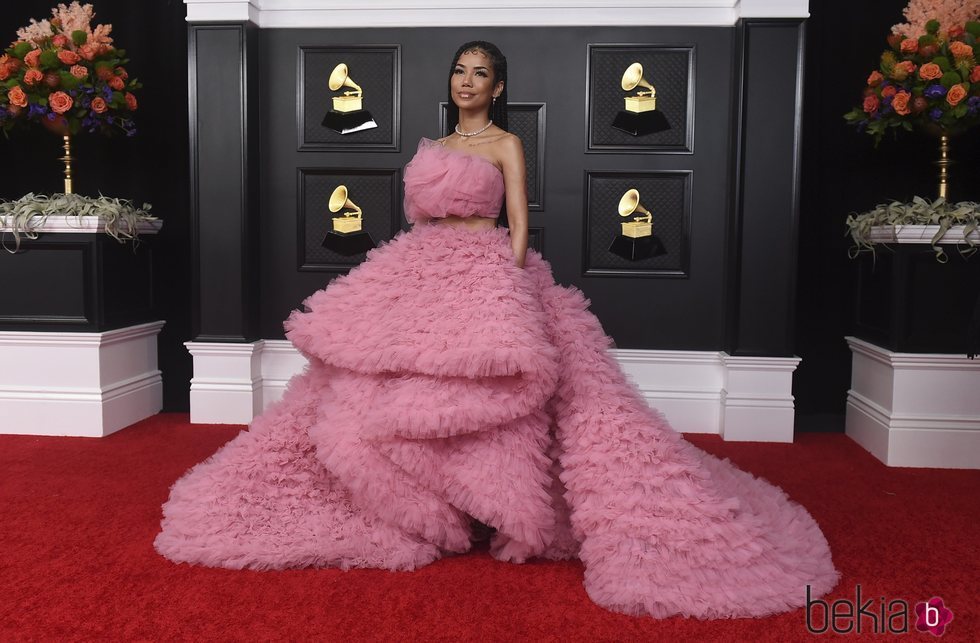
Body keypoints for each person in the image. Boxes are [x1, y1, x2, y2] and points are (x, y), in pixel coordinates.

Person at [156, 41, 839, 619]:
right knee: (365, 395)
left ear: (498, 85)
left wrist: (504, 289)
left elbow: (518, 223)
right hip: (425, 266)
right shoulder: (433, 146)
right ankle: (426, 506)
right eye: (460, 71)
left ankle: (496, 503)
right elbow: (417, 218)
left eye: (481, 73)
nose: (468, 81)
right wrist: (413, 286)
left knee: (507, 387)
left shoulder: (507, 142)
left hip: (487, 270)